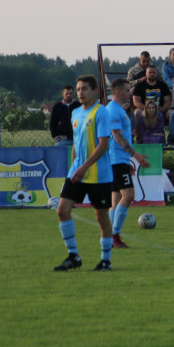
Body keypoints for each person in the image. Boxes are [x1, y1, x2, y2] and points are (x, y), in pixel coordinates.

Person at [53, 75, 115, 272]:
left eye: (84, 89)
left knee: (102, 217)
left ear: (94, 91)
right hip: (78, 171)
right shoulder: (76, 113)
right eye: (78, 89)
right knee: (62, 210)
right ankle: (73, 256)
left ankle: (106, 261)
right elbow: (76, 144)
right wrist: (74, 166)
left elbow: (103, 144)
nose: (80, 92)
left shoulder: (101, 112)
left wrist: (84, 166)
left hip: (99, 174)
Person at [106, 79, 151, 250]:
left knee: (116, 200)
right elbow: (117, 137)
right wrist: (136, 156)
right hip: (116, 160)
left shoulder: (117, 109)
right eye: (126, 90)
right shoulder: (113, 111)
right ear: (117, 92)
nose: (129, 93)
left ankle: (111, 237)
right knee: (129, 195)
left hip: (119, 160)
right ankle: (114, 236)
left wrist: (127, 161)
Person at [49, 85, 78, 149]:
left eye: (70, 93)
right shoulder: (57, 106)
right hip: (62, 140)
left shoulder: (78, 105)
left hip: (76, 139)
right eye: (66, 93)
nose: (68, 95)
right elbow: (52, 122)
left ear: (73, 94)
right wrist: (55, 136)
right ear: (63, 94)